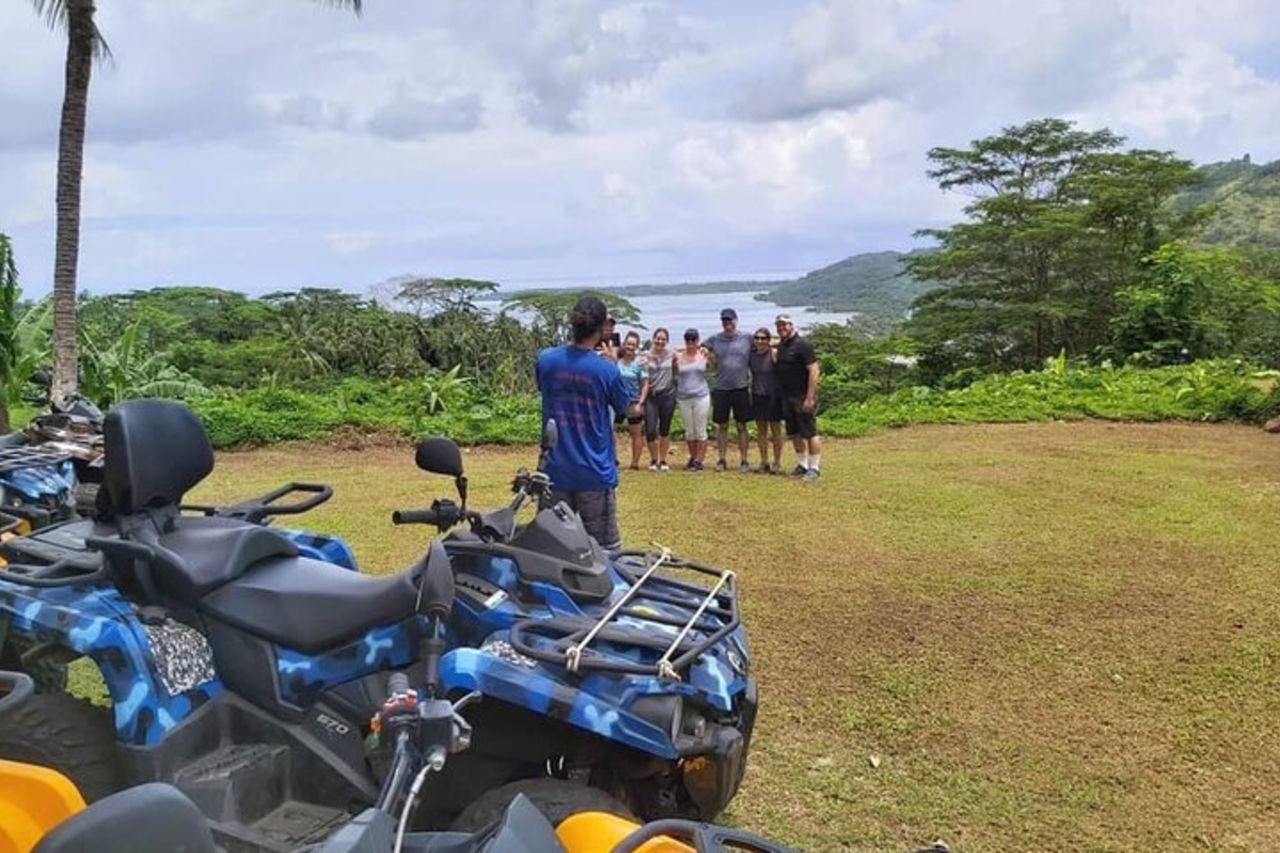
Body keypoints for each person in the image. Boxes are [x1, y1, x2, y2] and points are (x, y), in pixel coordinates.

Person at [535, 297, 640, 549]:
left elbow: (543, 387)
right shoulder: (606, 370)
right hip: (594, 470)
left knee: (549, 548)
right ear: (602, 327)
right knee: (606, 551)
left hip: (554, 470)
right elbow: (625, 408)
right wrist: (613, 364)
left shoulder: (546, 359)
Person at [774, 314, 822, 481]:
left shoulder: (802, 345)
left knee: (810, 432)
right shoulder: (782, 345)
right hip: (787, 396)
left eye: (784, 325)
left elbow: (814, 370)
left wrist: (810, 397)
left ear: (791, 325)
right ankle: (802, 464)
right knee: (794, 432)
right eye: (779, 326)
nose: (781, 328)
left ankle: (814, 467)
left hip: (802, 395)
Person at [705, 308, 752, 473]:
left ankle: (744, 460)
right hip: (721, 388)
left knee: (742, 426)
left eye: (730, 320)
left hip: (741, 388)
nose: (727, 324)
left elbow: (765, 342)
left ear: (736, 320)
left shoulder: (747, 338)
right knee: (722, 426)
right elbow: (698, 346)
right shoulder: (715, 339)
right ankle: (722, 459)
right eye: (724, 321)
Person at [673, 328, 711, 471]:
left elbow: (713, 368)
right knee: (689, 430)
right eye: (688, 339)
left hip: (701, 395)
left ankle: (699, 460)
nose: (690, 342)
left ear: (697, 341)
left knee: (700, 429)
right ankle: (693, 457)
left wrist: (709, 355)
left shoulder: (703, 355)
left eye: (693, 339)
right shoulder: (678, 357)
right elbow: (674, 373)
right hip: (684, 397)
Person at [749, 326, 784, 474]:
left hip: (773, 396)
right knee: (761, 431)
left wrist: (772, 344)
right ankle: (764, 461)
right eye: (757, 338)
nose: (760, 341)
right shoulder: (751, 355)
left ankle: (777, 462)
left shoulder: (774, 354)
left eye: (763, 338)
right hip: (758, 395)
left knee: (776, 431)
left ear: (768, 340)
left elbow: (785, 344)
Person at [643, 327, 676, 471]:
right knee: (650, 430)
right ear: (653, 338)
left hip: (667, 395)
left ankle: (662, 460)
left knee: (665, 429)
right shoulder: (645, 355)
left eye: (663, 339)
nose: (660, 341)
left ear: (667, 341)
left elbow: (687, 351)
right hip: (651, 396)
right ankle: (653, 458)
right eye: (658, 338)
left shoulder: (672, 354)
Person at [615, 331, 648, 471]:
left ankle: (635, 463)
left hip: (633, 402)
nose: (630, 347)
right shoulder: (617, 361)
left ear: (637, 346)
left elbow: (646, 383)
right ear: (624, 344)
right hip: (616, 401)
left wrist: (641, 403)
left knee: (636, 433)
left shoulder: (640, 363)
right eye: (628, 343)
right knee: (610, 432)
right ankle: (613, 460)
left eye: (633, 344)